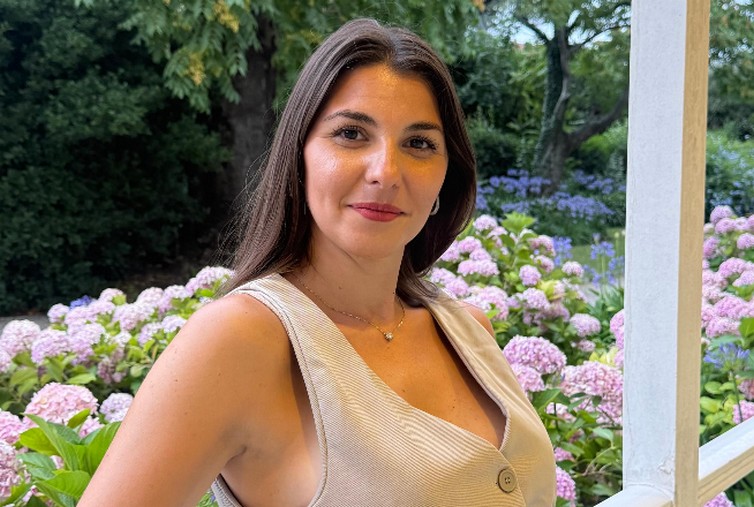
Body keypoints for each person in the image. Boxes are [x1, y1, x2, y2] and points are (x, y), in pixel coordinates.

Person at [80, 18, 556, 507]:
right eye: (351, 133)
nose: (386, 172)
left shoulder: (469, 330)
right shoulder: (239, 341)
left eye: (419, 143)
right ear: (298, 156)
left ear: (445, 176)